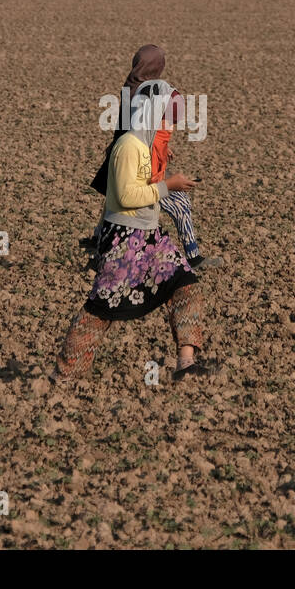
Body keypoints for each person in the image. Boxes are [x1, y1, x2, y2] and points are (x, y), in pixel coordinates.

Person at [56, 80, 215, 381]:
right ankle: (65, 374)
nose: (170, 126)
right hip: (123, 243)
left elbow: (145, 184)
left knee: (185, 283)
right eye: (167, 118)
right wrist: (169, 186)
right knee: (101, 309)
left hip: (150, 237)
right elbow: (127, 196)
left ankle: (186, 363)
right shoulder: (129, 147)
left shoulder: (146, 147)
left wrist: (163, 175)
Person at [87, 44, 222, 270]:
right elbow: (140, 132)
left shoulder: (132, 86)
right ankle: (193, 257)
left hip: (125, 158)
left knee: (115, 205)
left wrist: (161, 147)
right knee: (179, 203)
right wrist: (156, 153)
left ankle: (98, 249)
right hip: (141, 164)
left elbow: (138, 131)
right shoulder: (144, 93)